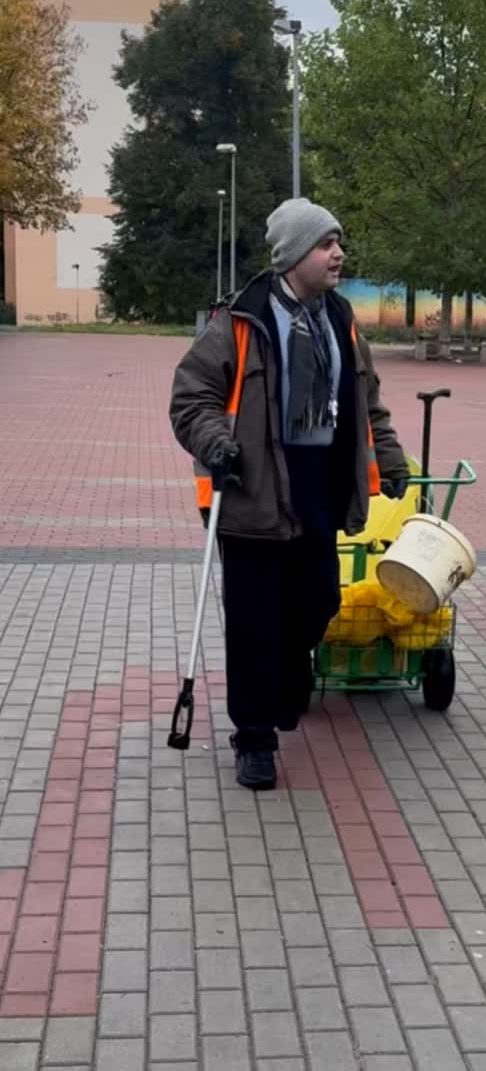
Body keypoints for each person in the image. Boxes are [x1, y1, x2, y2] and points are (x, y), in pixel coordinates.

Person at [169, 198, 408, 789]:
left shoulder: (341, 319)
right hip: (252, 491)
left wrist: (391, 456)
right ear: (295, 253)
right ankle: (253, 737)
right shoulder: (241, 320)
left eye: (339, 243)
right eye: (327, 244)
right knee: (254, 622)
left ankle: (287, 670)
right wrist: (216, 441)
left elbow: (366, 398)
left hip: (319, 489)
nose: (338, 254)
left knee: (318, 601)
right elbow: (190, 397)